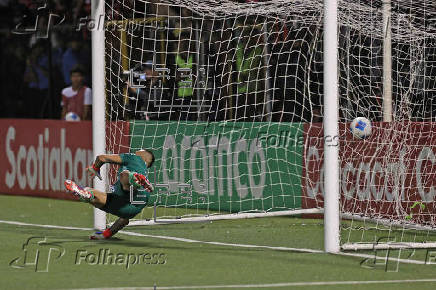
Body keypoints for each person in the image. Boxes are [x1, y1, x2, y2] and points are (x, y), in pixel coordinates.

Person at [64, 149, 155, 240]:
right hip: (133, 207)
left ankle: (133, 179)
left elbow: (102, 158)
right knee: (101, 196)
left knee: (123, 177)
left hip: (128, 196)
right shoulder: (142, 171)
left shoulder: (135, 158)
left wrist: (95, 168)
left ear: (145, 156)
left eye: (140, 150)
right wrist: (106, 234)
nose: (137, 151)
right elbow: (124, 220)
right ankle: (88, 195)